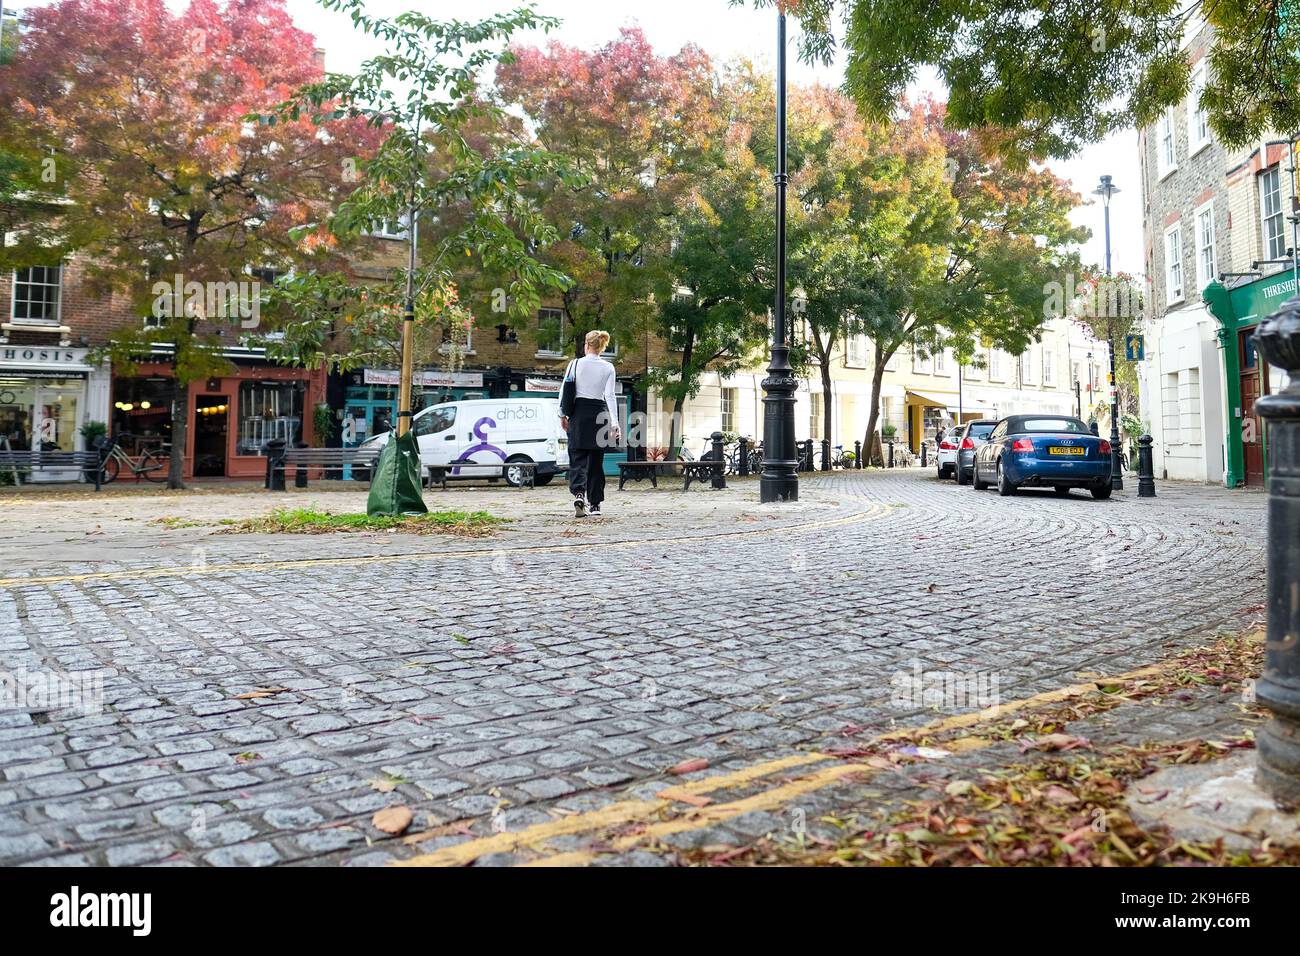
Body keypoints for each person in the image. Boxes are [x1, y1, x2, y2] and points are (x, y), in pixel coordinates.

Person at [560, 330, 621, 517]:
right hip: (599, 413)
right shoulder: (608, 367)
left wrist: (562, 414)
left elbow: (565, 389)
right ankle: (595, 504)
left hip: (579, 413)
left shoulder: (575, 364)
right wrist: (614, 422)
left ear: (587, 345)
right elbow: (610, 395)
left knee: (578, 458)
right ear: (601, 347)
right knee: (596, 461)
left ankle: (579, 495)